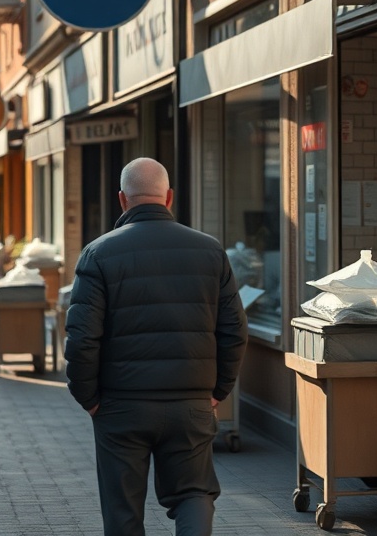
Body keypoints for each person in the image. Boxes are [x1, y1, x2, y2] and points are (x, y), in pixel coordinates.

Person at [65, 158, 247, 536]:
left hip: (120, 405)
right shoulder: (210, 251)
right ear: (169, 197)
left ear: (121, 199)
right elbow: (234, 331)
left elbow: (82, 338)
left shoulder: (98, 254)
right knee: (194, 494)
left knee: (123, 510)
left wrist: (90, 398)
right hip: (191, 404)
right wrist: (217, 391)